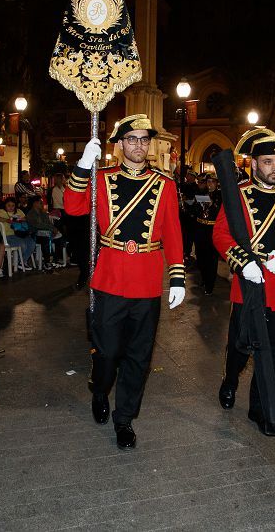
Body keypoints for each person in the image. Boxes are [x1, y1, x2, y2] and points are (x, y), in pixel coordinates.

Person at [63, 114, 185, 450]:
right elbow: (72, 208)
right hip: (110, 279)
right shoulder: (101, 179)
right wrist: (83, 166)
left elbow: (173, 232)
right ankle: (100, 389)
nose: (139, 146)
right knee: (106, 353)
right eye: (131, 139)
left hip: (146, 284)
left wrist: (176, 276)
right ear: (118, 145)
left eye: (144, 140)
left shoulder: (165, 184)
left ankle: (125, 419)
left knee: (138, 358)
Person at [213, 132, 275, 434]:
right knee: (240, 345)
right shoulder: (237, 193)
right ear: (253, 163)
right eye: (268, 162)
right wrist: (242, 263)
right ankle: (230, 380)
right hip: (248, 282)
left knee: (272, 351)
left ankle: (259, 409)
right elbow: (221, 234)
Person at [192, 173, 221, 296]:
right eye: (208, 182)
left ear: (216, 183)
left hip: (212, 228)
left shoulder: (220, 196)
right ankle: (204, 278)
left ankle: (210, 284)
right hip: (200, 227)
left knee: (211, 258)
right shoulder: (201, 193)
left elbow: (221, 212)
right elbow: (194, 209)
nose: (209, 184)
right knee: (200, 254)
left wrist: (212, 205)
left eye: (212, 182)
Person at [0, 197, 37, 269]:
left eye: (13, 205)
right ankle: (17, 262)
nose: (11, 207)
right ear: (5, 205)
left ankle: (19, 262)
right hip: (7, 236)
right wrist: (6, 220)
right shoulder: (1, 211)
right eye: (8, 205)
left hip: (20, 234)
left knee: (32, 243)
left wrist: (20, 219)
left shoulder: (19, 211)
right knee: (22, 245)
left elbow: (27, 218)